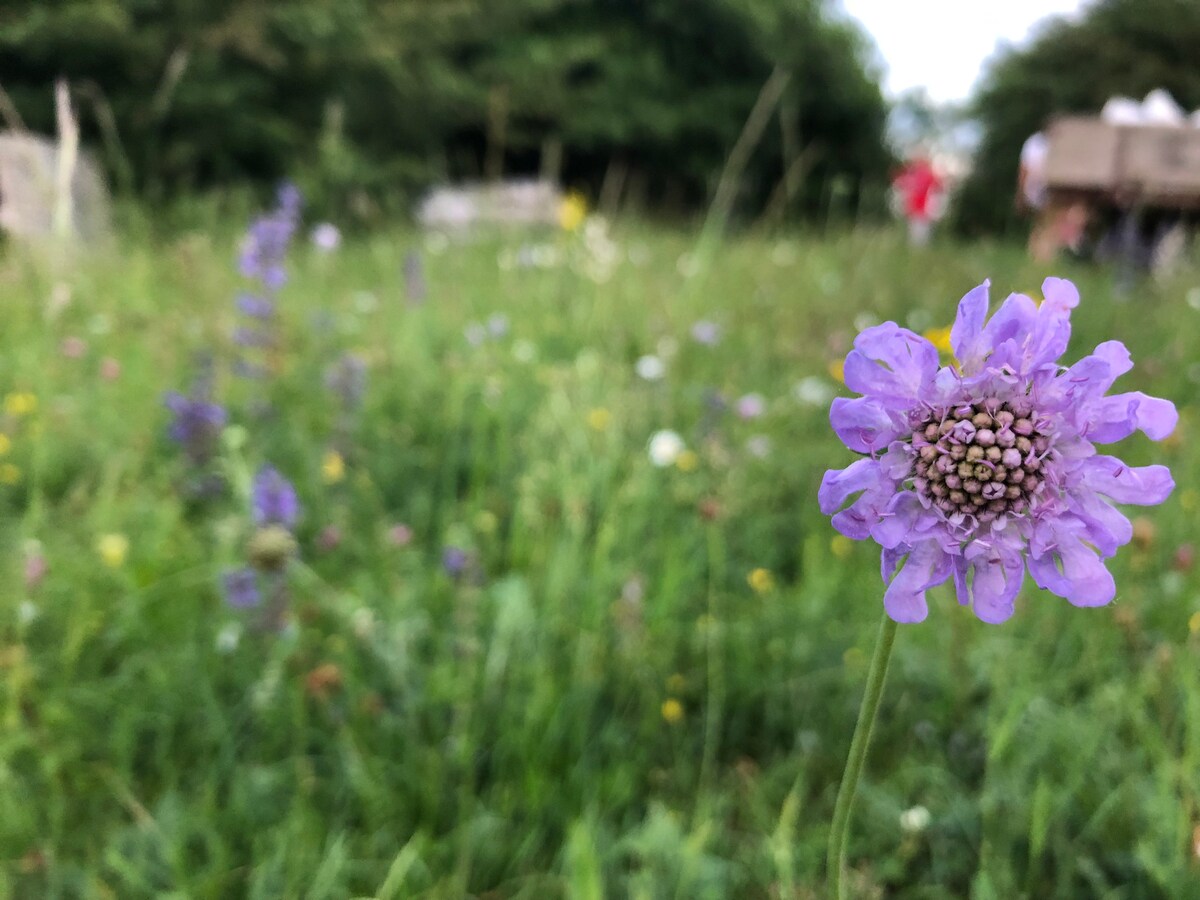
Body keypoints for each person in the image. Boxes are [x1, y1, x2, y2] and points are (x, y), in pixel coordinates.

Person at [892, 153, 943, 246]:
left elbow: (937, 190)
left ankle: (919, 256)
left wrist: (933, 210)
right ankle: (916, 255)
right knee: (914, 237)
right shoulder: (913, 175)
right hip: (914, 210)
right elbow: (902, 186)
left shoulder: (928, 175)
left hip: (923, 211)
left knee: (920, 238)